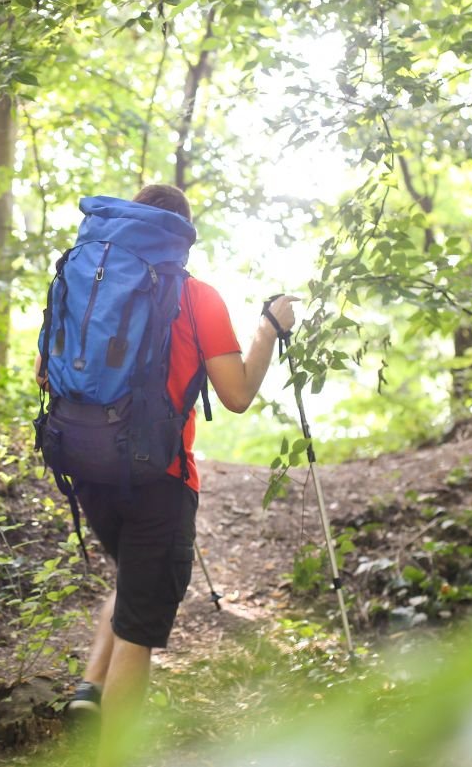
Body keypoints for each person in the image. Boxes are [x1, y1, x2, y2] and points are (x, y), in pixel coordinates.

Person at [46, 184, 298, 766]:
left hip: (84, 463)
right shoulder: (196, 295)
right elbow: (235, 395)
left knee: (132, 580)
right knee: (140, 629)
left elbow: (46, 374)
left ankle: (89, 687)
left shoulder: (81, 282)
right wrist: (268, 329)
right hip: (161, 478)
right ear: (180, 235)